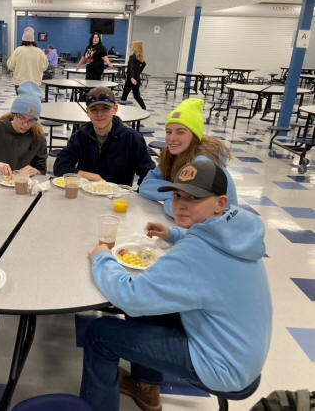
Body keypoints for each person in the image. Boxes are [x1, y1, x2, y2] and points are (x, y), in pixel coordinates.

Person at [81, 160, 272, 411]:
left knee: (99, 334)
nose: (181, 204)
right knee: (152, 307)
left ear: (220, 203)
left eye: (194, 197)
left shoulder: (195, 255)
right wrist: (173, 234)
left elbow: (130, 296)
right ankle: (145, 386)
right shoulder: (238, 232)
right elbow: (208, 238)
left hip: (223, 369)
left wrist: (102, 257)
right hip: (243, 355)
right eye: (177, 195)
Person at [139, 98, 238, 217]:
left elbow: (188, 213)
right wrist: (180, 195)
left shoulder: (203, 164)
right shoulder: (173, 155)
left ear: (194, 136)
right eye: (169, 132)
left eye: (180, 132)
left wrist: (171, 200)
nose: (172, 138)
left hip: (222, 224)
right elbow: (145, 185)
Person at [53, 86, 154, 186]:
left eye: (105, 109)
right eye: (94, 110)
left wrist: (139, 192)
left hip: (117, 195)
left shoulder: (133, 139)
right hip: (86, 192)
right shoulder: (80, 136)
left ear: (115, 109)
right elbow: (60, 167)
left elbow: (149, 174)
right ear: (87, 112)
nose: (99, 114)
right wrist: (91, 177)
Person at [7, 26, 49, 93]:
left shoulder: (18, 50)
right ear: (33, 40)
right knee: (32, 100)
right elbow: (44, 67)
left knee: (21, 99)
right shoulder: (39, 52)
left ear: (23, 39)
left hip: (20, 83)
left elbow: (10, 65)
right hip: (35, 83)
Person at [120, 40, 147, 110]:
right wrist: (137, 73)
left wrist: (132, 77)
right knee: (136, 96)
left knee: (124, 95)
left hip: (130, 79)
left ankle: (121, 110)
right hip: (137, 79)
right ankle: (144, 108)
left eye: (133, 45)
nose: (131, 46)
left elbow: (131, 68)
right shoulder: (139, 57)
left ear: (135, 47)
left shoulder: (132, 57)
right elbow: (144, 64)